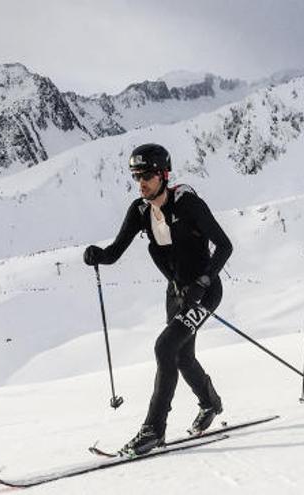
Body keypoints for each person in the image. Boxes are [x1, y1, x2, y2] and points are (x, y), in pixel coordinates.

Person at [83, 143, 233, 457]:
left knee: (165, 347)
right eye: (137, 176)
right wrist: (97, 255)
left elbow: (224, 246)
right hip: (177, 293)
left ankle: (153, 430)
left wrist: (202, 283)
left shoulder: (188, 204)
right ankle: (211, 403)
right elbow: (113, 253)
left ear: (164, 175)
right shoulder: (139, 211)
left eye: (148, 175)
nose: (142, 182)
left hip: (205, 291)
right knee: (180, 356)